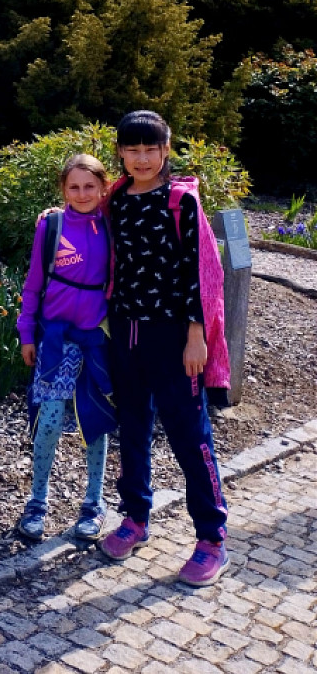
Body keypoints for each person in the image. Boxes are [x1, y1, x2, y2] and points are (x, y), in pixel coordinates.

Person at [100, 109, 229, 586]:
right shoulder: (117, 198)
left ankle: (212, 538)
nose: (142, 158)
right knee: (132, 428)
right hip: (125, 331)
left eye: (150, 149)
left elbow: (200, 272)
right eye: (132, 149)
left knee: (189, 436)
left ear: (165, 149)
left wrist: (197, 337)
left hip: (173, 337)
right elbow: (88, 227)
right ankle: (136, 517)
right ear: (120, 152)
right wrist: (56, 217)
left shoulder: (180, 202)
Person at [16, 154, 115, 543]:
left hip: (96, 341)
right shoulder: (51, 225)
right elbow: (33, 285)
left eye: (90, 186)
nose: (82, 193)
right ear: (63, 189)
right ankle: (37, 502)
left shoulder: (112, 225)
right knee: (49, 421)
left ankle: (94, 504)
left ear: (103, 187)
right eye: (74, 187)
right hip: (56, 341)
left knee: (96, 422)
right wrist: (27, 333)